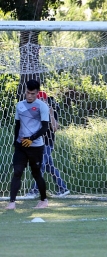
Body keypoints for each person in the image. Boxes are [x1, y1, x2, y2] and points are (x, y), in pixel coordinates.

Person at [5, 80, 50, 209]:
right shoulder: (20, 105)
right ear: (25, 91)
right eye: (28, 93)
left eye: (32, 93)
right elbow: (17, 125)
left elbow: (45, 128)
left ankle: (43, 200)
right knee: (17, 172)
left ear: (37, 93)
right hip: (21, 146)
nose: (29, 96)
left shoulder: (42, 106)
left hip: (35, 146)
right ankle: (12, 203)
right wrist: (16, 141)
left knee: (36, 173)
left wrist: (31, 138)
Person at [25, 92, 70, 198]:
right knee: (50, 167)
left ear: (45, 101)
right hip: (38, 144)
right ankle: (63, 188)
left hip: (47, 144)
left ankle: (34, 191)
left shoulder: (50, 111)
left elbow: (54, 128)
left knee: (40, 166)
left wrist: (50, 114)